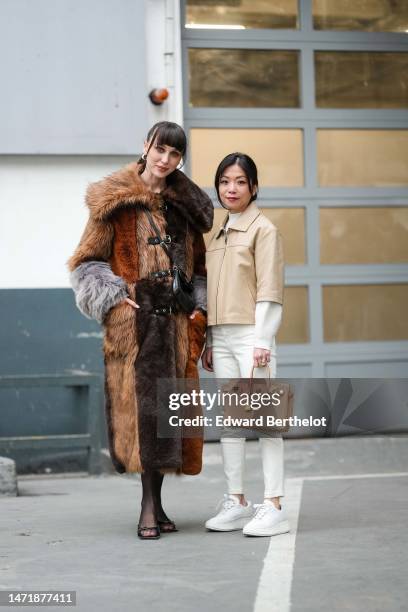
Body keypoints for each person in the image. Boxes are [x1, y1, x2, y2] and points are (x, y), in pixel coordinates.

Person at [68, 121, 213, 540]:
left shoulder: (186, 208)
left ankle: (159, 502)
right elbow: (86, 262)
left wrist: (197, 310)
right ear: (145, 146)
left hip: (177, 326)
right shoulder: (113, 201)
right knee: (145, 417)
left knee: (168, 418)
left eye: (175, 154)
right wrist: (114, 296)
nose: (165, 160)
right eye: (160, 150)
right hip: (136, 327)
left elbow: (199, 268)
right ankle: (148, 507)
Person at [202, 152, 289, 537]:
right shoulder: (218, 232)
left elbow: (270, 287)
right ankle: (236, 501)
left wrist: (263, 339)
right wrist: (208, 338)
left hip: (251, 338)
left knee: (267, 423)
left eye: (239, 181)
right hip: (220, 337)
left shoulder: (263, 230)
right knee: (232, 424)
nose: (231, 189)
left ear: (254, 187)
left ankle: (273, 506)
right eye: (224, 181)